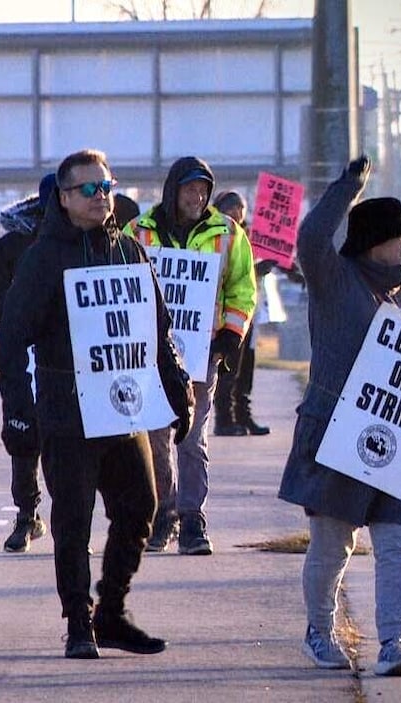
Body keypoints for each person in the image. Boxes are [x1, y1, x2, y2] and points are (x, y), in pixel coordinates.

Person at [0, 148, 193, 659]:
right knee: (73, 521)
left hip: (124, 411)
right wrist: (17, 410)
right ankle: (78, 622)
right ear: (63, 197)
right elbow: (10, 341)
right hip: (67, 412)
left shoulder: (130, 251)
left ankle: (112, 612)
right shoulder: (44, 256)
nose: (102, 196)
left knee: (141, 506)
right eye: (89, 188)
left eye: (107, 186)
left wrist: (178, 389)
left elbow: (158, 329)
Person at [277, 155, 401, 677]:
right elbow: (310, 241)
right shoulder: (334, 279)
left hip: (396, 439)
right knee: (333, 545)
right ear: (372, 239)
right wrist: (348, 187)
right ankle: (319, 632)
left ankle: (393, 645)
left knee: (396, 543)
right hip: (335, 435)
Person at [124, 157, 256, 555]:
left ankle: (193, 519)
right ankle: (163, 516)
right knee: (157, 438)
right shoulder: (137, 233)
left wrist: (231, 337)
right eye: (190, 189)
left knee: (192, 438)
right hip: (150, 357)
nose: (198, 197)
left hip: (202, 355)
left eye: (203, 190)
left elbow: (242, 289)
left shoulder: (228, 234)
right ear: (173, 190)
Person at [0, 173, 57, 553]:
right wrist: (25, 300)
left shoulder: (89, 243)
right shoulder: (11, 247)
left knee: (71, 443)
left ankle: (73, 521)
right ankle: (27, 516)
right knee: (23, 437)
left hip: (69, 364)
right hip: (20, 360)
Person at [211, 189, 273, 437]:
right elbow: (226, 273)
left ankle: (243, 416)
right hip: (227, 315)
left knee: (245, 369)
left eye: (241, 208)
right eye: (231, 208)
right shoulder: (217, 235)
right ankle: (224, 419)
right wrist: (257, 270)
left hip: (250, 313)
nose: (237, 213)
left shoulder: (248, 236)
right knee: (228, 369)